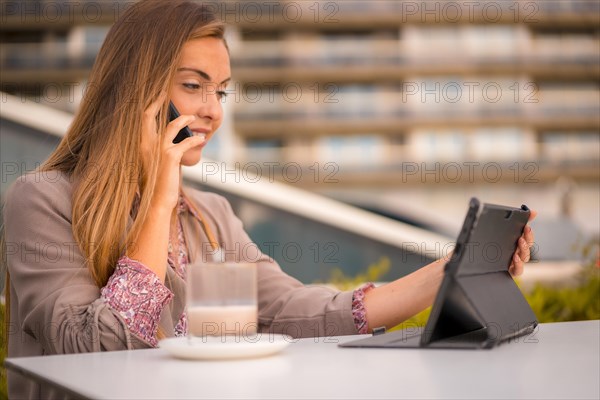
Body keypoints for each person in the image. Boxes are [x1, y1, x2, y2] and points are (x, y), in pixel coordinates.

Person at [1, 1, 535, 398]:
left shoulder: (211, 216)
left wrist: (446, 274)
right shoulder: (41, 201)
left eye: (223, 91)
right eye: (194, 86)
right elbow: (99, 352)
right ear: (135, 91)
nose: (213, 111)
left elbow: (288, 310)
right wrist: (161, 195)